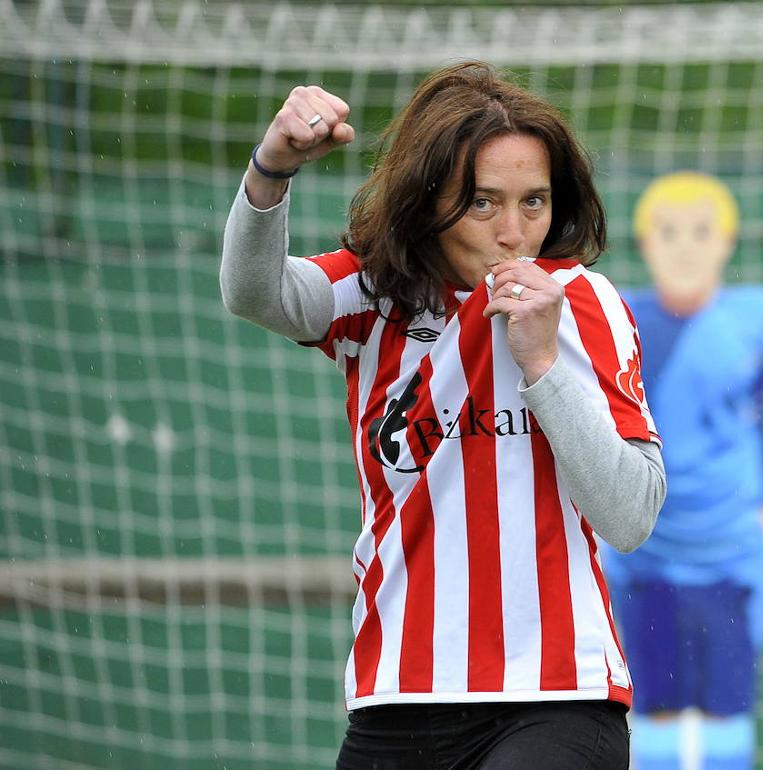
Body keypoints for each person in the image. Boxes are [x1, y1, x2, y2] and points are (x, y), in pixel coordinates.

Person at [220, 62, 666, 769]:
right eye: (484, 203)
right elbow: (255, 293)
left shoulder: (582, 302)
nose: (515, 232)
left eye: (535, 202)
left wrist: (542, 364)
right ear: (431, 201)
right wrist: (270, 168)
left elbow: (631, 513)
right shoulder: (372, 295)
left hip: (558, 695)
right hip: (396, 697)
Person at [601, 172, 763, 770]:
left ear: (726, 241)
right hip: (645, 547)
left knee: (726, 704)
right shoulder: (616, 318)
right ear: (645, 242)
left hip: (729, 549)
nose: (685, 246)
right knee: (651, 703)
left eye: (700, 231)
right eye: (668, 232)